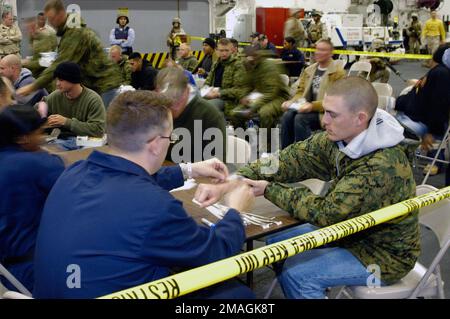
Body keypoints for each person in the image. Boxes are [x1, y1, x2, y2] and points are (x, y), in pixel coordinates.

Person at [195, 76, 420, 299]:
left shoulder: (381, 165)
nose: (324, 121)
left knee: (298, 275)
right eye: (324, 111)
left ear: (360, 118)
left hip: (382, 254)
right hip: (351, 233)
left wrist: (269, 190)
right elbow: (288, 160)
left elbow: (328, 213)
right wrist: (234, 180)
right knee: (277, 242)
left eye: (332, 114)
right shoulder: (343, 136)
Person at [33, 90, 255, 299]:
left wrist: (188, 169)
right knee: (238, 295)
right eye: (170, 138)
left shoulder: (74, 171)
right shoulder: (156, 207)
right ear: (157, 144)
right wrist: (236, 211)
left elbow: (126, 179)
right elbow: (214, 252)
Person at [0, 105, 65, 292]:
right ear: (23, 138)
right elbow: (76, 195)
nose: (43, 138)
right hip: (38, 265)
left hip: (7, 271)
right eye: (39, 133)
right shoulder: (40, 164)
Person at [17, 0, 122, 109]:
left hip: (105, 83)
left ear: (61, 14)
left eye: (52, 19)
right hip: (96, 84)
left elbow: (59, 65)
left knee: (101, 123)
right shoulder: (70, 31)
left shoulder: (75, 33)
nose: (51, 23)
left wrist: (32, 87)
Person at [395, 44, 450, 177]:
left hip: (420, 123)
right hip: (412, 118)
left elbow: (438, 107)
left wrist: (431, 132)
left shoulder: (441, 74)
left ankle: (436, 161)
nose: (428, 62)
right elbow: (415, 97)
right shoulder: (436, 72)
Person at [280, 39, 345, 149]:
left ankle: (305, 154)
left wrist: (312, 106)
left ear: (331, 53)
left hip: (324, 112)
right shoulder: (309, 70)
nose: (318, 52)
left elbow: (336, 100)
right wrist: (291, 102)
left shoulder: (337, 73)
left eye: (323, 50)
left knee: (300, 119)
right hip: (305, 107)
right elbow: (300, 91)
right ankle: (286, 152)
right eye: (317, 49)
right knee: (287, 116)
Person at [156, 67, 226, 163]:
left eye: (177, 98)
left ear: (187, 91)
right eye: (167, 100)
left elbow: (217, 164)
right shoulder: (155, 111)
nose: (173, 106)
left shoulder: (209, 115)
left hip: (196, 175)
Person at [230, 47, 291, 150]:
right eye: (245, 58)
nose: (246, 60)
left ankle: (267, 146)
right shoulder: (249, 66)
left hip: (279, 97)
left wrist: (252, 107)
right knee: (235, 113)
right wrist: (244, 97)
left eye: (249, 58)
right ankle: (244, 144)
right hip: (260, 96)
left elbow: (271, 92)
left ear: (256, 56)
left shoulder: (268, 66)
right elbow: (246, 85)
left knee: (265, 113)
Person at [40, 62, 106, 150]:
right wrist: (42, 118)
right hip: (59, 140)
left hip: (84, 143)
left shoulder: (93, 99)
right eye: (57, 80)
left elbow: (98, 130)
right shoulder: (56, 96)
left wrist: (66, 122)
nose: (57, 84)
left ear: (73, 79)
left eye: (61, 80)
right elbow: (42, 105)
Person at [203, 38, 246, 115]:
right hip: (212, 96)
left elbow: (238, 90)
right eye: (221, 50)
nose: (224, 53)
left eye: (226, 50)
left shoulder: (237, 65)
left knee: (207, 108)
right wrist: (205, 90)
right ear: (217, 50)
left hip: (227, 101)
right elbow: (207, 82)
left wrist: (218, 93)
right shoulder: (216, 64)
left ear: (231, 50)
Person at [22, 13, 58, 79]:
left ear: (46, 20)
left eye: (43, 19)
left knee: (46, 79)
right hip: (36, 58)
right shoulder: (34, 31)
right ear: (37, 19)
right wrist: (33, 49)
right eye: (40, 19)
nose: (41, 21)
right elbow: (31, 41)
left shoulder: (50, 31)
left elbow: (54, 44)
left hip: (46, 59)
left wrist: (24, 64)